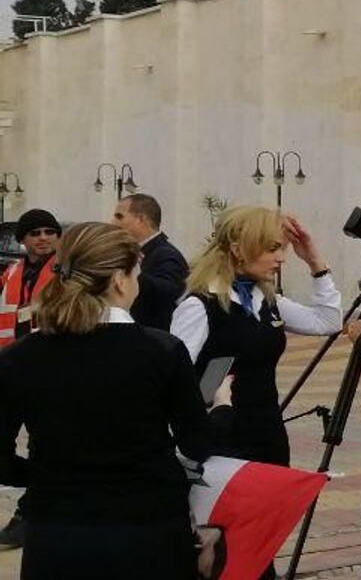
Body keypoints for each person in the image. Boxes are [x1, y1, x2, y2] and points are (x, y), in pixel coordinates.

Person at [0, 223, 214, 579]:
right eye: (136, 275)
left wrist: (46, 475)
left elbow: (1, 460)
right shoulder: (161, 350)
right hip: (149, 526)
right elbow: (197, 442)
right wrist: (219, 406)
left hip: (57, 528)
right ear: (119, 279)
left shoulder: (19, 357)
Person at [170, 206, 341, 466]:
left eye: (282, 248)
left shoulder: (266, 299)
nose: (281, 258)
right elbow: (173, 381)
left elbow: (327, 322)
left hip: (268, 437)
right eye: (272, 249)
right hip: (222, 442)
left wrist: (316, 264)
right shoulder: (200, 305)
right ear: (238, 250)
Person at [112, 194, 187, 331]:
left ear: (141, 219)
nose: (113, 223)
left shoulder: (166, 254)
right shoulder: (143, 252)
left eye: (119, 216)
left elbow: (170, 293)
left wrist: (134, 273)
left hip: (157, 338)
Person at [0, 209, 61, 350]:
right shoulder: (12, 271)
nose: (43, 238)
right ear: (22, 239)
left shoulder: (67, 269)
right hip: (11, 353)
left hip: (51, 350)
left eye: (50, 232)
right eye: (35, 233)